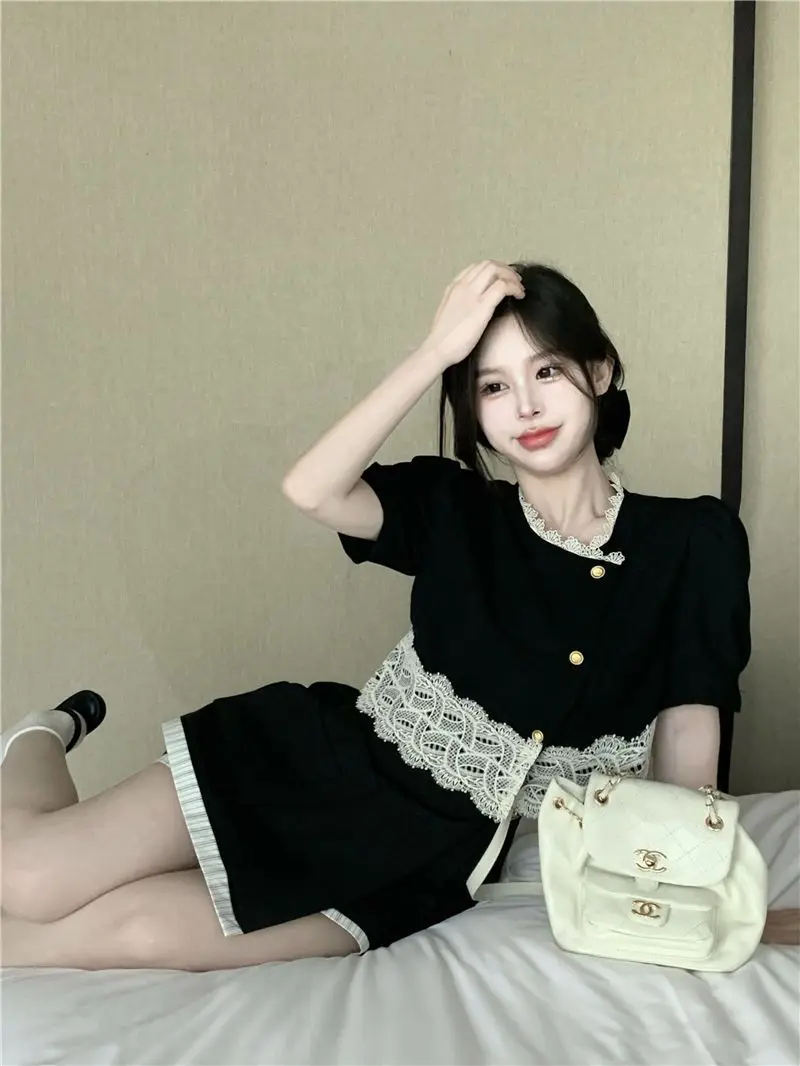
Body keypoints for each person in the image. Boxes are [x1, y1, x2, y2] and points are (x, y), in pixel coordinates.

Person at [2, 260, 797, 970]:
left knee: (134, 932)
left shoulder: (691, 540)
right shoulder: (455, 508)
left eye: (548, 370)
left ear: (601, 369)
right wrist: (434, 352)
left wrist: (691, 895)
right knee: (30, 877)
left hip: (426, 865)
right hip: (320, 767)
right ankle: (38, 735)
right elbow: (312, 489)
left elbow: (688, 733)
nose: (525, 405)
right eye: (491, 385)